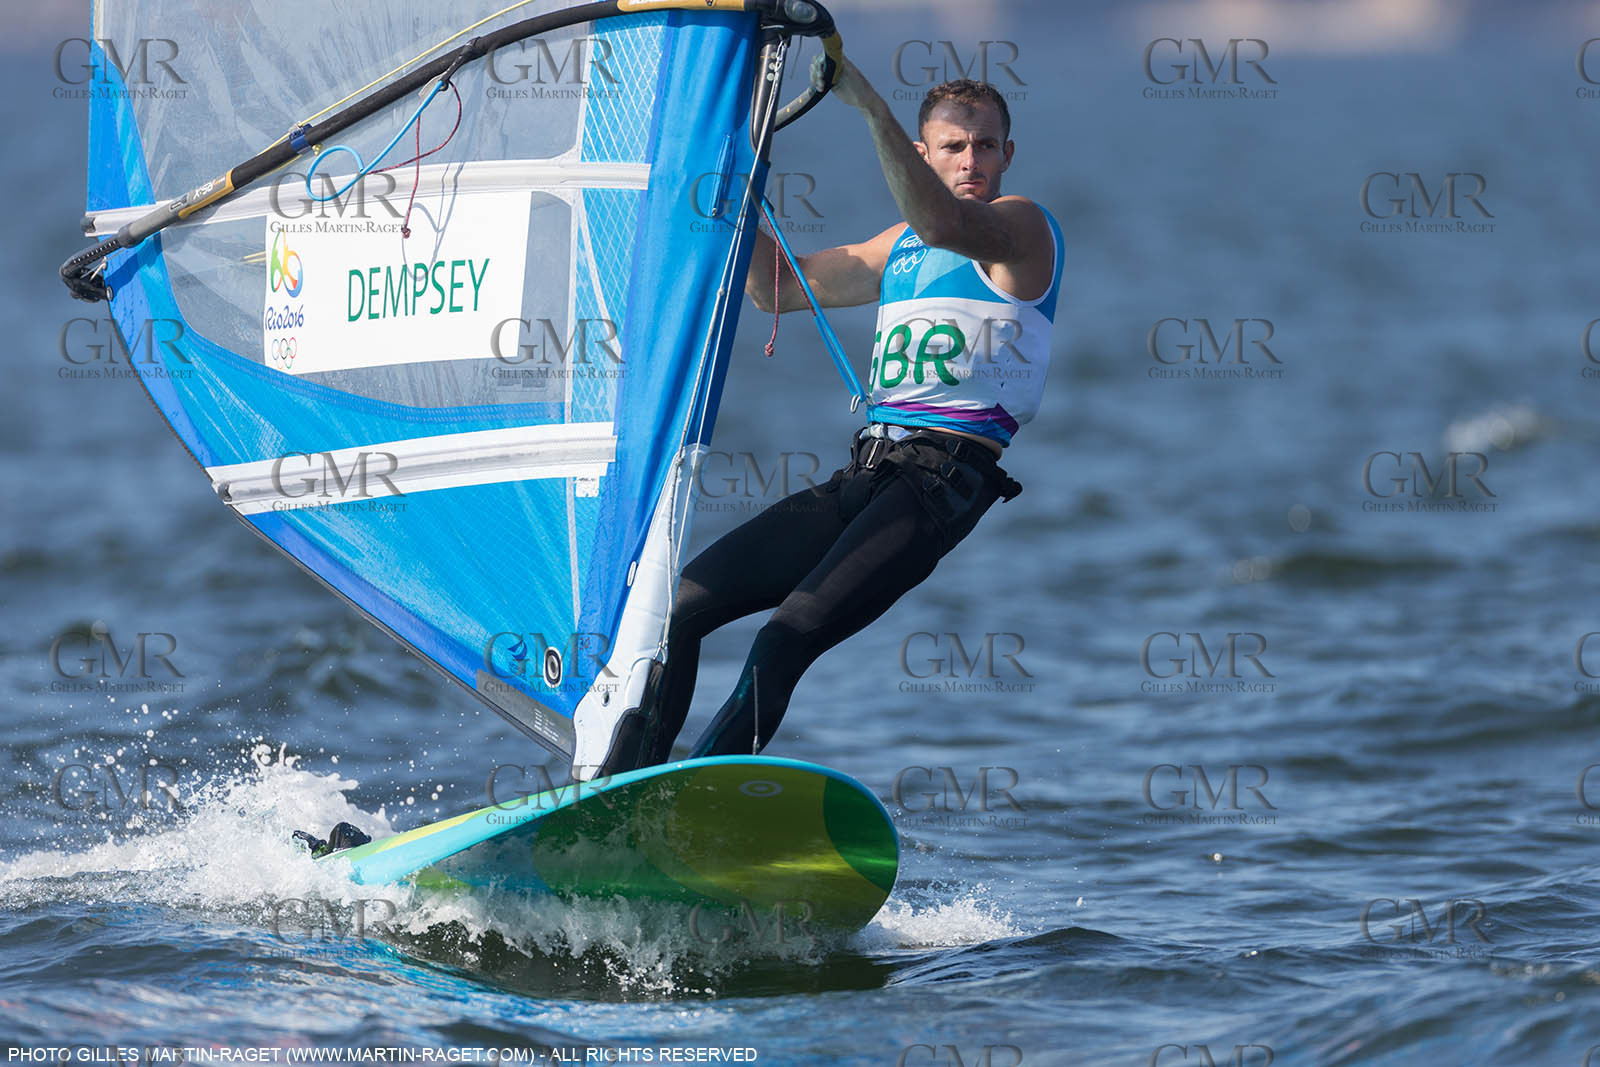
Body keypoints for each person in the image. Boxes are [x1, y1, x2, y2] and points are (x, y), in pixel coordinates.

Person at [586, 58, 1063, 776]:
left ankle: (687, 802)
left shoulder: (1021, 231)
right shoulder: (897, 246)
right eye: (954, 147)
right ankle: (615, 793)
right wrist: (725, 187)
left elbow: (940, 221)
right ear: (926, 155)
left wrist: (871, 107)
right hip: (866, 473)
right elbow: (775, 288)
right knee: (681, 607)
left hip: (939, 487)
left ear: (1007, 155)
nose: (972, 160)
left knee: (784, 640)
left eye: (986, 145)